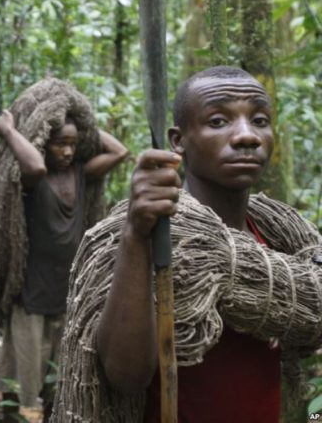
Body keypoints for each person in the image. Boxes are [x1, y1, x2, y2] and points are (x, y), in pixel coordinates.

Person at [94, 66, 304, 422]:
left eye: (260, 121)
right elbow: (126, 376)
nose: (246, 136)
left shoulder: (280, 242)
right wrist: (134, 235)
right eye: (219, 121)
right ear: (178, 140)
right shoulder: (153, 237)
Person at [0, 105, 128, 421]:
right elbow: (35, 167)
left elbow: (119, 151)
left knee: (59, 375)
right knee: (23, 375)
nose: (67, 151)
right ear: (44, 143)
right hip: (30, 293)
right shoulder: (33, 177)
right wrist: (11, 131)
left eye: (72, 143)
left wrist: (84, 118)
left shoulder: (80, 173)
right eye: (59, 143)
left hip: (67, 292)